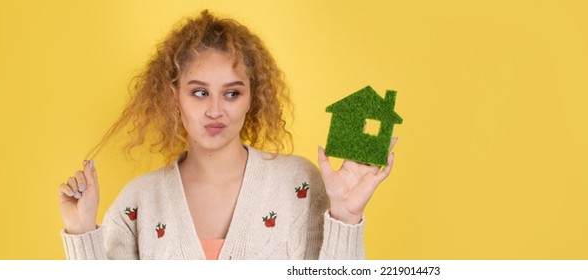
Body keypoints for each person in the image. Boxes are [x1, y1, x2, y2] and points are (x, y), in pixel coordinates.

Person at [57, 9, 397, 260]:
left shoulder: (298, 184)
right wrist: (81, 231)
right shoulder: (139, 202)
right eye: (199, 92)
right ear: (173, 96)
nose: (216, 110)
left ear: (253, 97)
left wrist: (346, 216)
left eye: (232, 93)